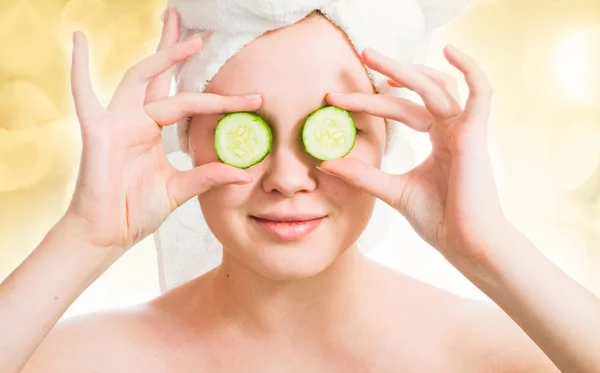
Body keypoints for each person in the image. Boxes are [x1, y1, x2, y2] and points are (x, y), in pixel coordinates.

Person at [1, 3, 599, 373]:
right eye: (247, 133)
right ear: (182, 138)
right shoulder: (90, 361)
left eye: (332, 133)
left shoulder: (505, 358)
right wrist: (85, 238)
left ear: (388, 140)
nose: (287, 180)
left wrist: (489, 247)